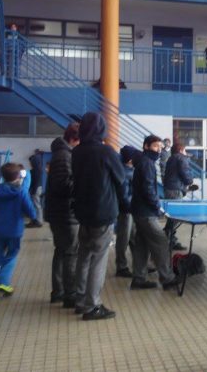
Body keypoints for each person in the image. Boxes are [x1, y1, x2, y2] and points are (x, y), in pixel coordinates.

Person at [72, 112, 126, 320]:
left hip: (82, 212)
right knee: (99, 259)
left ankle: (79, 299)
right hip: (103, 211)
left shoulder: (77, 151)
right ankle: (92, 305)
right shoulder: (106, 151)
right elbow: (120, 179)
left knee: (84, 256)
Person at [130, 135, 180, 290]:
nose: (158, 150)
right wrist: (157, 207)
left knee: (142, 245)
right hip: (146, 212)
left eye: (160, 147)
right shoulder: (147, 163)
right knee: (161, 242)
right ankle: (167, 278)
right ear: (146, 146)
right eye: (155, 146)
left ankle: (138, 278)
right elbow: (148, 189)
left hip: (139, 210)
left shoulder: (144, 162)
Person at [0, 163, 36, 300]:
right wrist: (33, 216)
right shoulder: (21, 192)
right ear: (18, 176)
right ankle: (4, 281)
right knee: (11, 255)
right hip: (14, 230)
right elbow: (31, 211)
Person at [44, 122, 81, 306]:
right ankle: (70, 294)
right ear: (74, 139)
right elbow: (63, 185)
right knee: (70, 253)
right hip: (65, 213)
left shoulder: (61, 153)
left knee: (61, 251)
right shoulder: (64, 156)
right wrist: (82, 181)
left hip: (58, 212)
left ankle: (58, 292)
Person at [163, 142, 194, 250]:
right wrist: (190, 181)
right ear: (181, 150)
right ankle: (167, 238)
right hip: (175, 191)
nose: (185, 152)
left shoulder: (171, 158)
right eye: (185, 150)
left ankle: (170, 239)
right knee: (175, 217)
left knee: (173, 216)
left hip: (169, 189)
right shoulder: (181, 158)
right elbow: (186, 175)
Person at [115, 145, 139, 278]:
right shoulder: (125, 173)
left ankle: (139, 264)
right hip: (126, 210)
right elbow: (124, 195)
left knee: (134, 237)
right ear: (130, 159)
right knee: (123, 239)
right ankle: (121, 267)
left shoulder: (129, 170)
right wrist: (129, 207)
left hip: (131, 209)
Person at [27, 149, 44, 228]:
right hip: (37, 188)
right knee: (36, 205)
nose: (30, 163)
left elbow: (36, 181)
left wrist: (33, 190)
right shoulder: (37, 169)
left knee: (36, 205)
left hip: (36, 188)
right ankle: (35, 220)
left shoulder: (36, 170)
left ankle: (38, 221)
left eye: (31, 162)